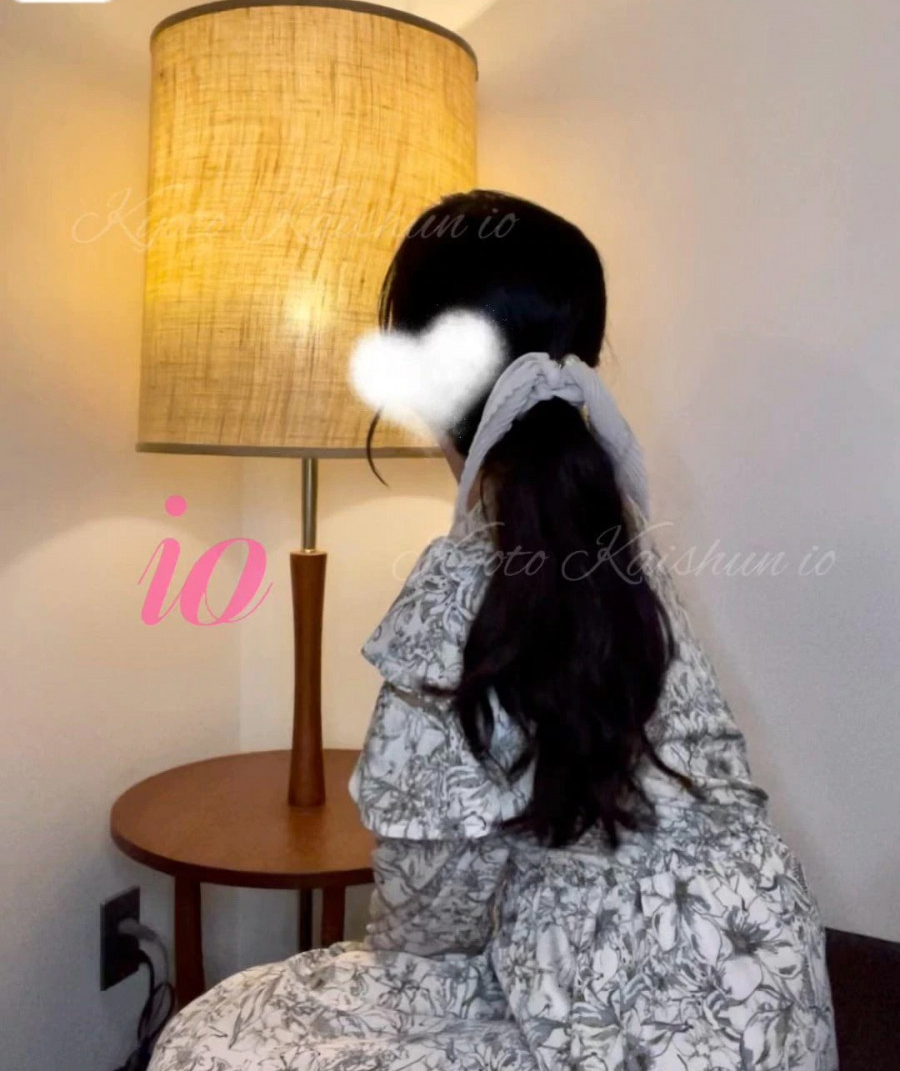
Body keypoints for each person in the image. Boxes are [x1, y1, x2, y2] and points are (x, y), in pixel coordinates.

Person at [149, 189, 838, 1070]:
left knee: (212, 1035)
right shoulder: (624, 552)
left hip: (613, 1019)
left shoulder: (460, 586)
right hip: (771, 987)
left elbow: (430, 907)